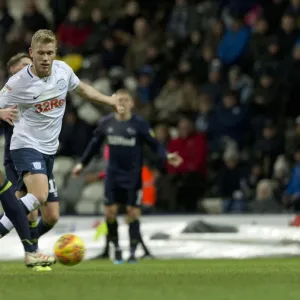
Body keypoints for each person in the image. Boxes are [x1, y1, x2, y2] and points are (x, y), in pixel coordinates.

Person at [0, 29, 116, 268]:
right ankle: (31, 249)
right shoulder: (18, 82)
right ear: (32, 53)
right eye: (40, 53)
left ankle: (27, 244)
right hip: (25, 146)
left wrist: (110, 101)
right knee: (38, 196)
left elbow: (83, 89)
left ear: (55, 53)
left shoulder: (63, 71)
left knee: (49, 214)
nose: (45, 58)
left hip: (49, 151)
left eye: (49, 53)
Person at [72, 89, 182, 264]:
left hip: (132, 176)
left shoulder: (139, 124)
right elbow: (94, 146)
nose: (122, 103)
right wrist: (82, 164)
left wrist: (167, 155)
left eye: (125, 100)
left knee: (133, 212)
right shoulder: (106, 123)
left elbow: (154, 144)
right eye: (118, 100)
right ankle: (115, 249)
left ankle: (132, 252)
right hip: (112, 175)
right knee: (110, 212)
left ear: (131, 103)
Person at [0, 52, 63, 260]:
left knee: (51, 215)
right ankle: (33, 252)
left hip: (44, 154)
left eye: (28, 66)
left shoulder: (48, 89)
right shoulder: (11, 96)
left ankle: (32, 248)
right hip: (20, 157)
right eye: (19, 71)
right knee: (31, 206)